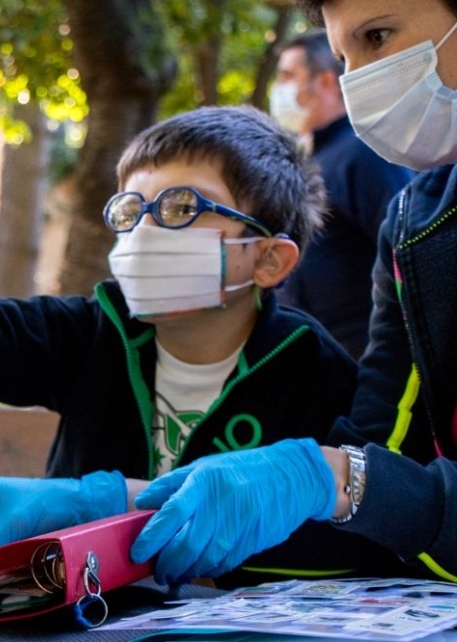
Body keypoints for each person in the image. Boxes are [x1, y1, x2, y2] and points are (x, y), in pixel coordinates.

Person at [0, 105, 404, 585]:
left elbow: (346, 539)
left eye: (183, 208)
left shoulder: (315, 369)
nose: (145, 233)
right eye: (131, 212)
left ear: (268, 260)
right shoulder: (90, 334)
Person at [126, 0, 457, 587]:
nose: (360, 82)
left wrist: (339, 480)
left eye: (378, 36)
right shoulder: (414, 218)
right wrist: (126, 512)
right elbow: (381, 457)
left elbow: (370, 485)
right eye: (345, 57)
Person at [270, 30, 413, 360]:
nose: (279, 89)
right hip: (323, 356)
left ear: (325, 82)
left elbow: (406, 247)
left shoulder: (362, 152)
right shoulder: (314, 157)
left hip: (367, 356)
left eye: (288, 76)